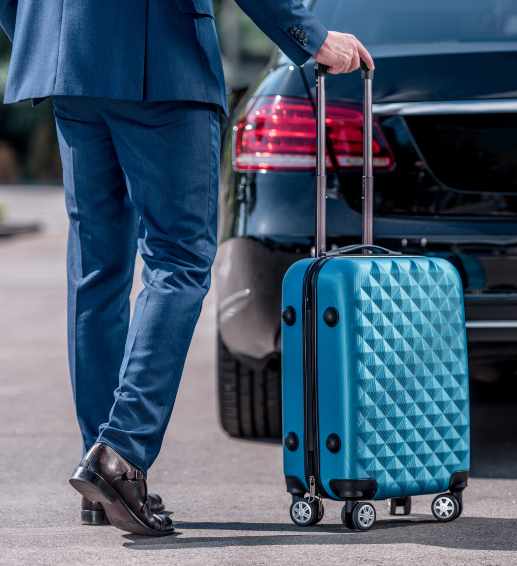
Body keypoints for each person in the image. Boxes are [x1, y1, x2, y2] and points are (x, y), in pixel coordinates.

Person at [0, 0, 372, 537]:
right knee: (180, 258)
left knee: (97, 273)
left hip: (68, 62)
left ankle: (99, 467)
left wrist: (47, 39)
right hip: (159, 60)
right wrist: (310, 37)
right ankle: (119, 454)